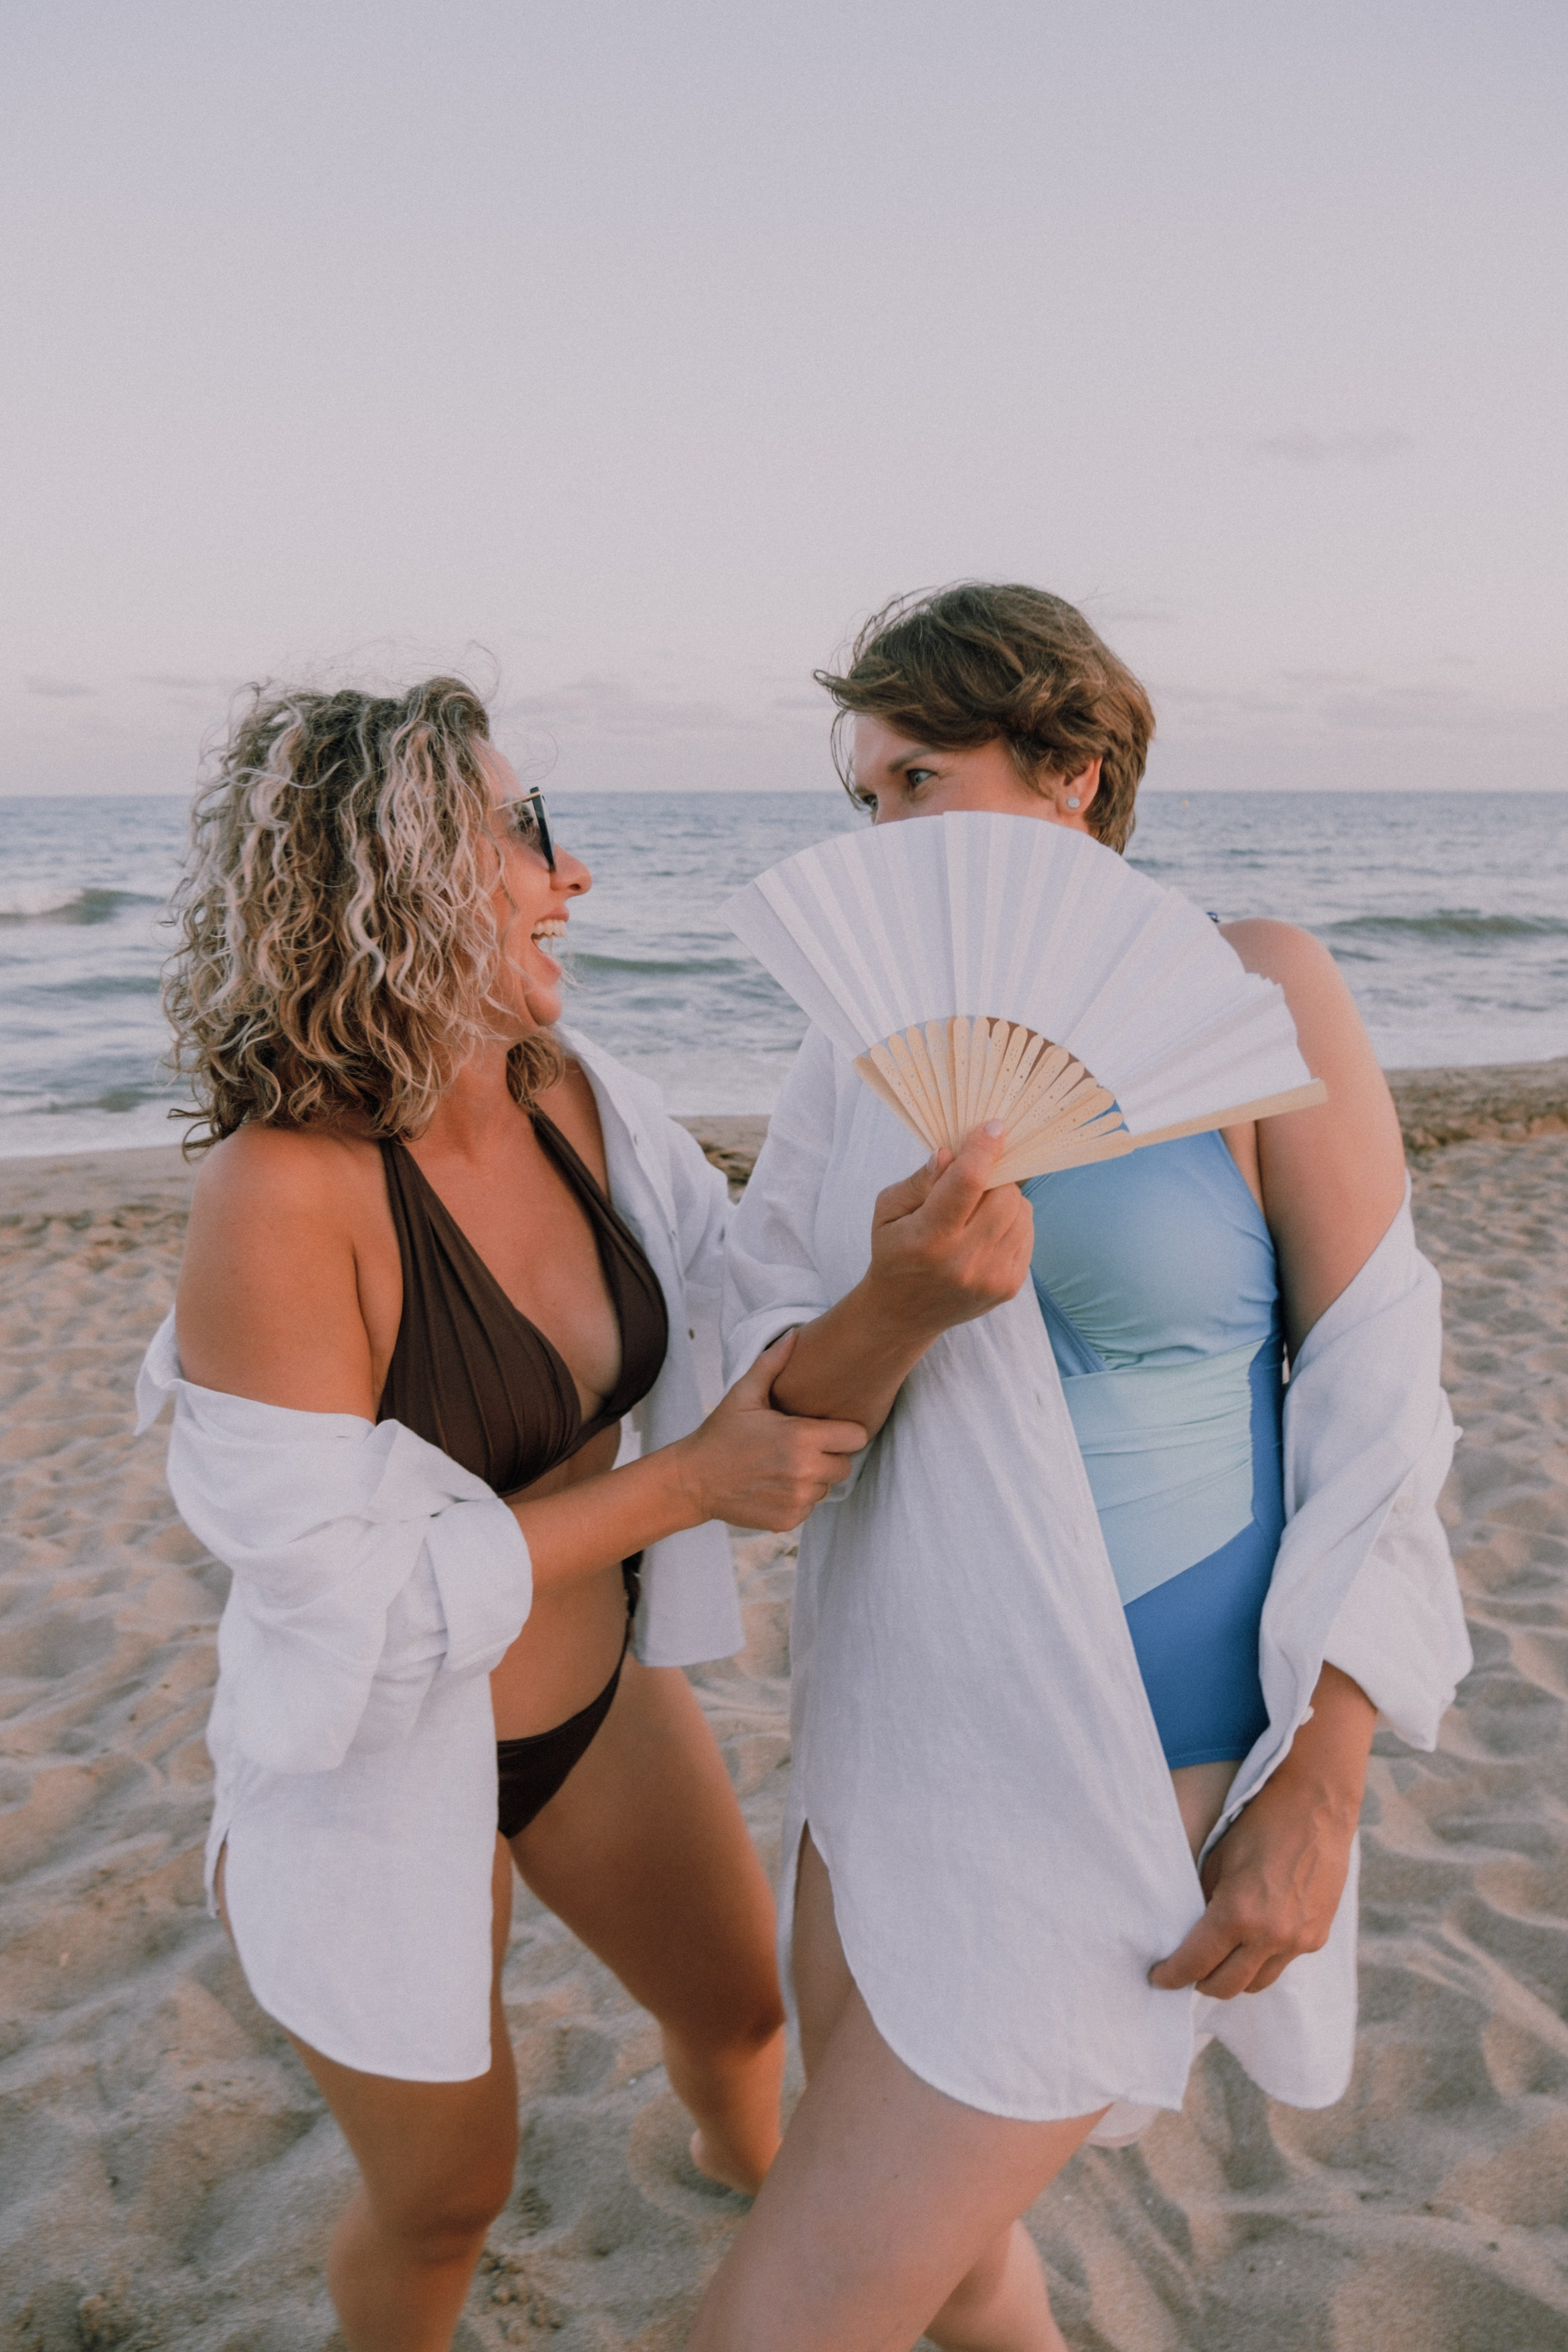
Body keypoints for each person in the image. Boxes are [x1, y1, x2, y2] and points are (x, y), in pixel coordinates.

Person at [692, 585, 1471, 2351]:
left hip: (1150, 1750)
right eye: (864, 803)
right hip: (897, 1729)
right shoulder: (863, 1042)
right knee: (957, 2261)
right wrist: (896, 1304)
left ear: (1071, 771)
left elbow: (1379, 1396)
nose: (884, 833)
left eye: (918, 781)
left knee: (788, 2316)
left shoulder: (1256, 986)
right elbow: (768, 1414)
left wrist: (1323, 1780)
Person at [134, 677, 865, 2352]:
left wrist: (897, 1268)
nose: (573, 873)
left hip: (597, 1707)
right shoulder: (280, 1194)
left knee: (745, 2020)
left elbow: (733, 1291)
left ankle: (779, 2228)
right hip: (377, 1758)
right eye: (523, 832)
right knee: (448, 2197)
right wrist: (689, 1485)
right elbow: (344, 1598)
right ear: (392, 878)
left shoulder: (576, 1088)